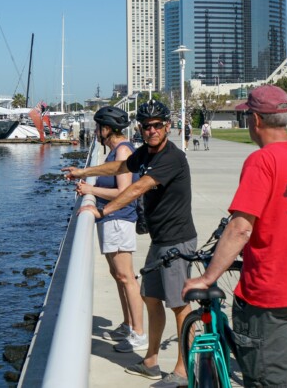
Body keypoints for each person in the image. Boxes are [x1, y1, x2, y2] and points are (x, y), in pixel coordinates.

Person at [182, 85, 287, 388]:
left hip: (272, 295)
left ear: (256, 120)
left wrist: (208, 277)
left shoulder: (263, 161)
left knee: (270, 381)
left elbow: (241, 227)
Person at [63, 100, 196, 388]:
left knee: (179, 305)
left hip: (177, 239)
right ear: (140, 129)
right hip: (159, 239)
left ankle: (184, 371)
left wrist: (102, 210)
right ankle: (150, 361)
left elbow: (137, 188)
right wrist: (82, 172)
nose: (152, 131)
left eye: (157, 125)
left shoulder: (171, 157)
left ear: (167, 127)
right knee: (151, 297)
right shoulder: (145, 153)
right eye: (146, 126)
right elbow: (120, 166)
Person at [74, 106, 146, 352]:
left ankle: (138, 333)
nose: (95, 132)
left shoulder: (123, 150)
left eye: (98, 127)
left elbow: (123, 193)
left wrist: (90, 190)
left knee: (127, 278)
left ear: (106, 129)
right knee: (119, 277)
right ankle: (128, 324)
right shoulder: (117, 150)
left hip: (119, 220)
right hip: (111, 221)